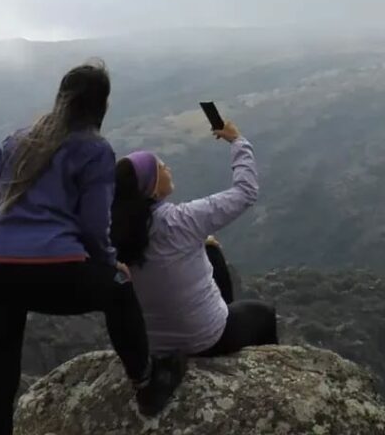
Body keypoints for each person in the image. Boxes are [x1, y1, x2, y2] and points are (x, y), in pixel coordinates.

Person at [0, 59, 185, 435]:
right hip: (49, 268)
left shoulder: (16, 141)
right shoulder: (94, 149)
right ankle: (147, 383)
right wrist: (111, 264)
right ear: (103, 105)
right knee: (118, 290)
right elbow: (95, 226)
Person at [111, 118, 278, 357]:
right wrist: (237, 141)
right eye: (162, 167)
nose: (168, 168)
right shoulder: (182, 220)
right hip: (203, 339)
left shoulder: (114, 234)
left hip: (156, 346)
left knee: (211, 251)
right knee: (264, 314)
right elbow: (245, 192)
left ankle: (221, 311)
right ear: (153, 190)